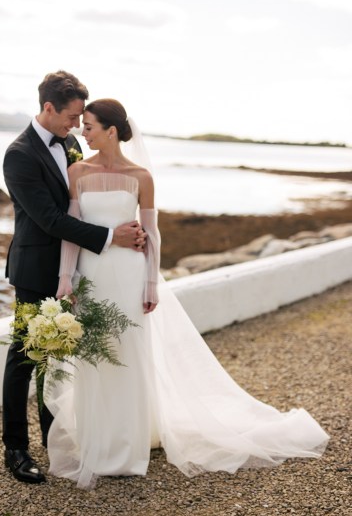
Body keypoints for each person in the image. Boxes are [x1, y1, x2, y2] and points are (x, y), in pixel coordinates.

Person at [45, 98, 329, 490]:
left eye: (89, 126)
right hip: (92, 275)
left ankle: (129, 449)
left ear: (111, 131)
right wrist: (65, 279)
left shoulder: (141, 177)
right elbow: (71, 232)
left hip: (128, 277)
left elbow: (153, 235)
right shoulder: (77, 172)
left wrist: (150, 284)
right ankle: (98, 443)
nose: (83, 132)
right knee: (96, 357)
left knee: (129, 355)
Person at [2, 73, 146, 484]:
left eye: (81, 118)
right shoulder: (19, 154)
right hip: (35, 269)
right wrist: (110, 236)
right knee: (26, 357)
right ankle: (15, 449)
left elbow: (80, 201)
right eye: (71, 116)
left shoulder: (69, 143)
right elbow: (49, 219)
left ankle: (54, 441)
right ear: (49, 108)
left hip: (79, 269)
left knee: (61, 358)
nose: (76, 125)